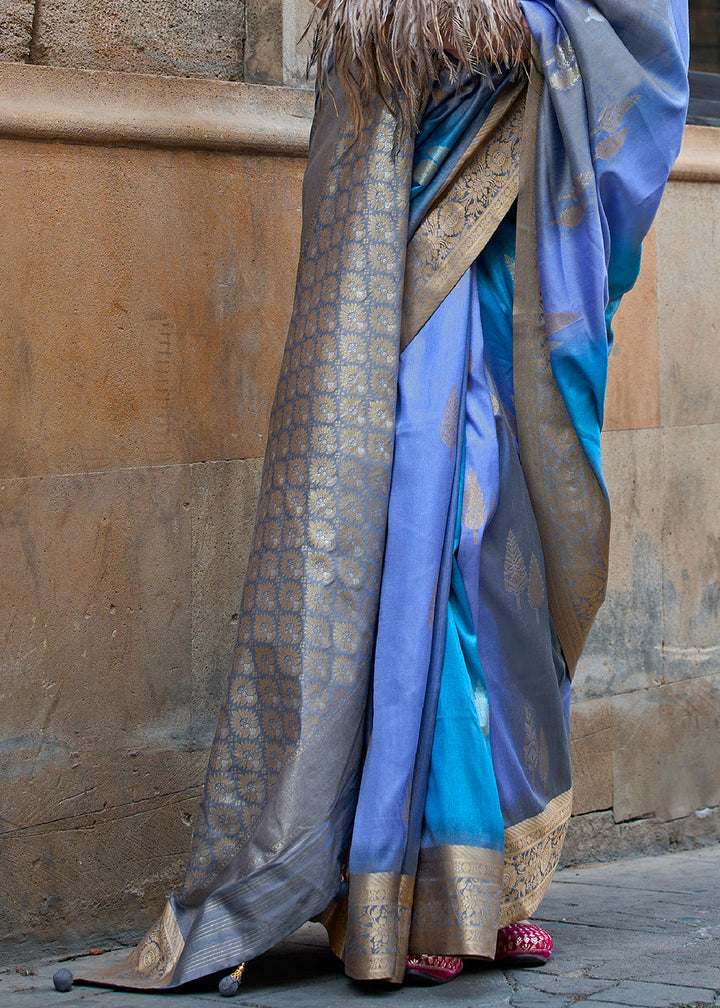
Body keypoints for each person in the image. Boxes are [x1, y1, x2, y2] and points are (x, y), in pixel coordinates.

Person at [62, 0, 690, 996]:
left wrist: (520, 28)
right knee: (425, 552)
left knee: (499, 569)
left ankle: (492, 891)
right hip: (412, 269)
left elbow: (645, 46)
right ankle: (413, 893)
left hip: (524, 270)